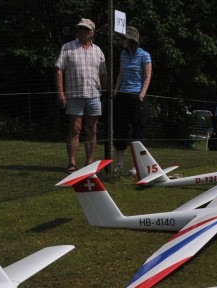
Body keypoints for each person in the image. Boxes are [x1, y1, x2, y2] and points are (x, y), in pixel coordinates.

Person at [55, 18, 108, 173]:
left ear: (93, 32)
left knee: (92, 129)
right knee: (75, 128)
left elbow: (103, 73)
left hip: (94, 95)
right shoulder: (67, 47)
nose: (83, 31)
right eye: (81, 28)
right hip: (74, 94)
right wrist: (60, 92)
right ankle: (72, 163)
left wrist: (108, 91)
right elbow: (59, 69)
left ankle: (89, 163)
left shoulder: (98, 51)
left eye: (86, 29)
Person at [112, 25, 152, 172]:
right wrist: (116, 91)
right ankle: (119, 163)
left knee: (138, 131)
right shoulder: (123, 54)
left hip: (136, 96)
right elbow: (121, 74)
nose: (122, 40)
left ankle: (138, 166)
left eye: (124, 38)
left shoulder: (144, 55)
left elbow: (147, 77)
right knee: (120, 129)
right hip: (122, 95)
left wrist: (141, 95)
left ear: (131, 40)